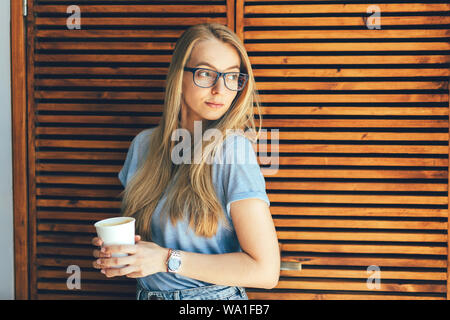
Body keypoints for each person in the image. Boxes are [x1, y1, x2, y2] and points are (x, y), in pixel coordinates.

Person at [91, 23, 280, 300]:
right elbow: (146, 246)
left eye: (231, 77)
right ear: (179, 75)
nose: (220, 89)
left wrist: (165, 259)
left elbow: (266, 271)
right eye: (206, 73)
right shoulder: (142, 145)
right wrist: (123, 256)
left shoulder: (233, 150)